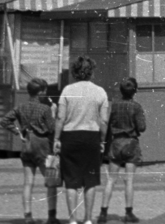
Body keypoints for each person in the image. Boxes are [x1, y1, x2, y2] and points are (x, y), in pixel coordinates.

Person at [54, 55, 110, 224]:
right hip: (91, 137)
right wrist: (102, 140)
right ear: (91, 71)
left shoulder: (67, 91)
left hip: (70, 136)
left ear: (74, 72)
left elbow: (60, 118)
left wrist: (56, 138)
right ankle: (87, 219)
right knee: (90, 180)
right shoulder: (100, 92)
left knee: (71, 181)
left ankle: (72, 220)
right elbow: (104, 121)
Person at [0, 77, 59, 224]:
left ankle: (27, 216)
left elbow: (5, 120)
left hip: (27, 145)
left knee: (28, 182)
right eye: (44, 91)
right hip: (43, 147)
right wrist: (54, 112)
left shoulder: (21, 107)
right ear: (40, 93)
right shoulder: (45, 109)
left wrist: (18, 132)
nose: (45, 93)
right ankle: (51, 216)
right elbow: (51, 129)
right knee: (51, 181)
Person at [99, 77, 146, 224]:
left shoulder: (115, 106)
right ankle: (128, 213)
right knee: (129, 180)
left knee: (111, 179)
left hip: (117, 143)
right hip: (131, 144)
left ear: (121, 91)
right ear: (135, 91)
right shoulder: (137, 107)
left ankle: (103, 213)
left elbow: (108, 122)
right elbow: (142, 127)